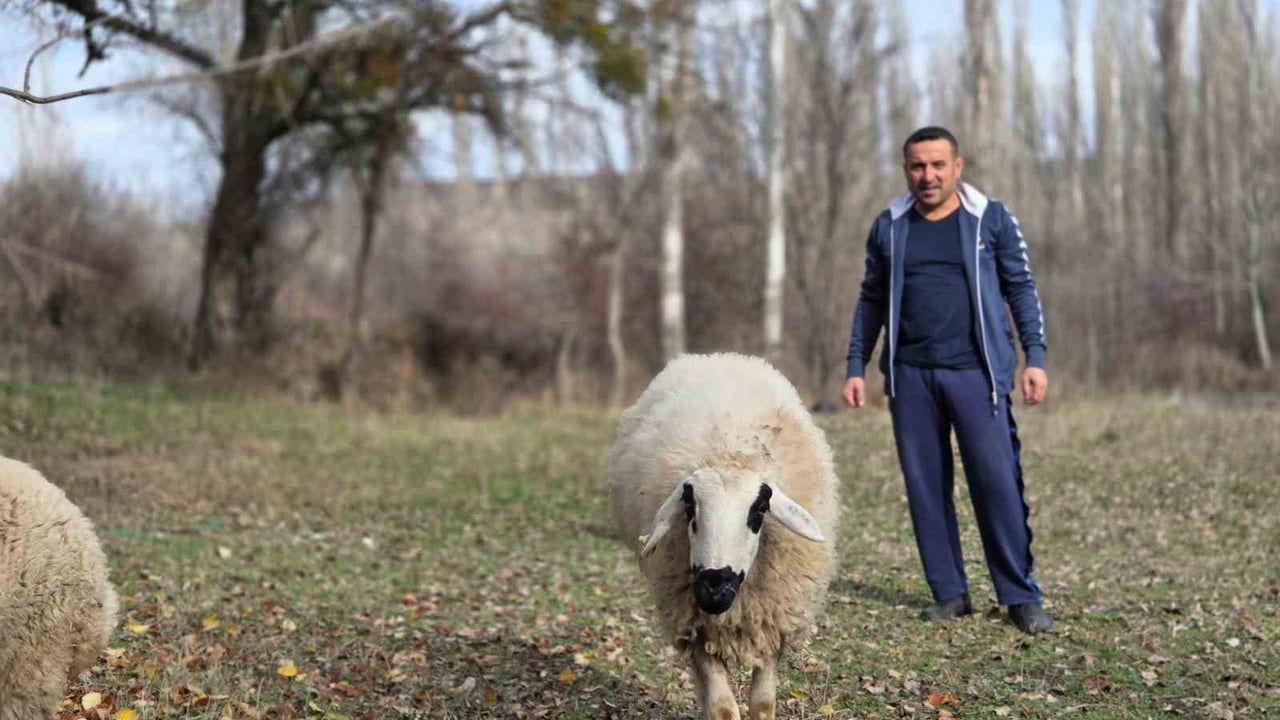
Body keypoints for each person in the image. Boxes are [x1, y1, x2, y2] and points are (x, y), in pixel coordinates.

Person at [842, 126, 1052, 633]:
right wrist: (856, 365)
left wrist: (1035, 357)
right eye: (917, 166)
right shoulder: (889, 226)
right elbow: (871, 298)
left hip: (976, 376)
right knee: (925, 488)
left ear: (958, 166)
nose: (927, 175)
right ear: (905, 169)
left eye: (937, 165)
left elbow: (1020, 288)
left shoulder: (991, 219)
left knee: (997, 483)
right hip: (911, 375)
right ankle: (951, 593)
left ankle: (1019, 595)